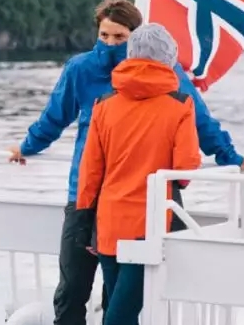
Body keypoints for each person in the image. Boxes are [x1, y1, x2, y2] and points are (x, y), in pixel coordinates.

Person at [8, 0, 244, 325]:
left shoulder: (171, 78)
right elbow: (54, 118)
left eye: (119, 37)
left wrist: (232, 157)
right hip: (85, 195)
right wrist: (27, 147)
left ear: (135, 38)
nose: (110, 44)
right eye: (104, 36)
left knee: (119, 298)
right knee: (72, 290)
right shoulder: (81, 70)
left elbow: (203, 124)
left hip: (144, 203)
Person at [74, 23, 203, 325]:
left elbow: (90, 171)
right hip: (151, 225)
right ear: (168, 58)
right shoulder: (180, 105)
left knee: (118, 312)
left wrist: (83, 222)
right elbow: (184, 173)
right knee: (121, 317)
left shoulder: (103, 105)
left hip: (109, 223)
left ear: (130, 54)